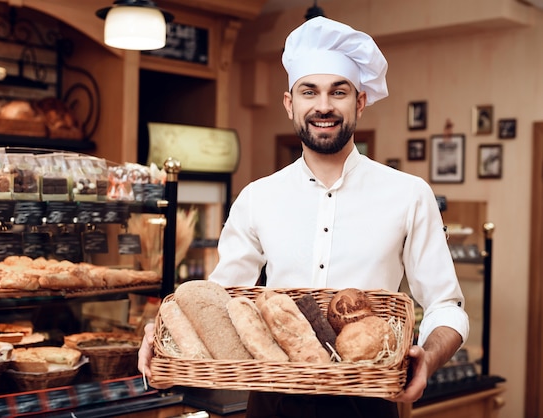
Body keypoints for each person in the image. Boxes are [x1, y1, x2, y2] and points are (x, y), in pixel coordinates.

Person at [139, 16, 469, 418]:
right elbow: (222, 302)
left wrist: (427, 359)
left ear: (360, 102)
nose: (324, 106)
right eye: (309, 91)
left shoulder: (408, 194)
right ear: (289, 103)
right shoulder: (257, 198)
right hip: (271, 402)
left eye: (339, 92)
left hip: (367, 404)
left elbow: (446, 304)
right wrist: (161, 336)